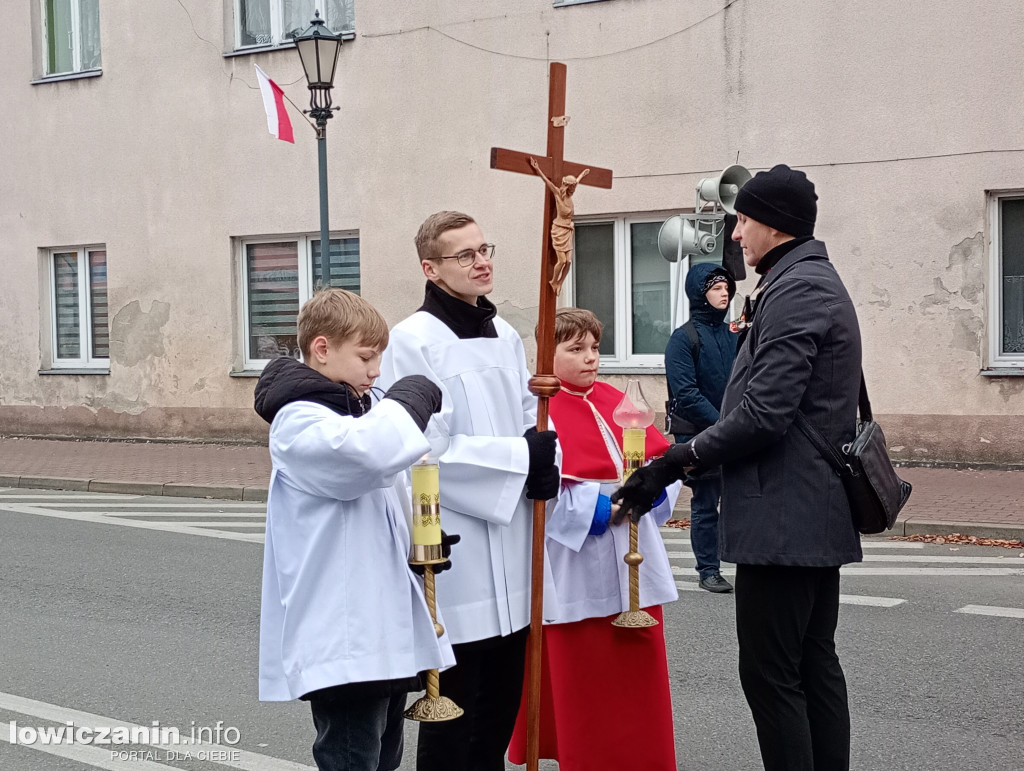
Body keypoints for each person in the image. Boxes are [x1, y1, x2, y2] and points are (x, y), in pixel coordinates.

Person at [613, 165, 863, 771]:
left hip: (786, 514)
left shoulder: (798, 288)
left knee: (774, 674)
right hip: (805, 508)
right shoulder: (803, 281)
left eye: (743, 222)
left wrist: (675, 459)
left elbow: (764, 414)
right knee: (810, 661)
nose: (737, 236)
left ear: (772, 225)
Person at [378, 211, 561, 771]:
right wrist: (517, 460)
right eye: (466, 255)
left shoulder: (505, 335)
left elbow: (534, 413)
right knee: (455, 715)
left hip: (512, 543)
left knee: (502, 708)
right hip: (459, 553)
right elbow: (422, 446)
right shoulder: (411, 342)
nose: (482, 262)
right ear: (431, 269)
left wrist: (546, 451)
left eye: (485, 249)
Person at [253, 288, 456, 771]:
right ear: (322, 349)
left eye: (380, 358)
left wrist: (420, 538)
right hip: (342, 631)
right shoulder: (299, 419)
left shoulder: (356, 411)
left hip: (379, 627)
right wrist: (413, 394)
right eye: (366, 356)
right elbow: (363, 459)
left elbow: (380, 493)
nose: (376, 371)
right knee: (352, 758)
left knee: (384, 756)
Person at [507, 308, 680, 771]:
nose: (590, 359)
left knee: (636, 678)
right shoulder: (537, 408)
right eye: (575, 349)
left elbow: (662, 466)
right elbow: (536, 488)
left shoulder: (615, 400)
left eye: (595, 348)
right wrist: (599, 509)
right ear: (547, 353)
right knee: (586, 676)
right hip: (576, 561)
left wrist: (648, 496)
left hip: (634, 558)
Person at [664, 263, 737, 593]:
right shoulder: (683, 339)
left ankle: (742, 558)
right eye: (716, 287)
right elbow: (686, 393)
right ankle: (708, 569)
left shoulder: (735, 335)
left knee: (741, 499)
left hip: (736, 432)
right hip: (700, 434)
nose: (724, 293)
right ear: (699, 293)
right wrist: (724, 424)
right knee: (706, 502)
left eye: (726, 287)